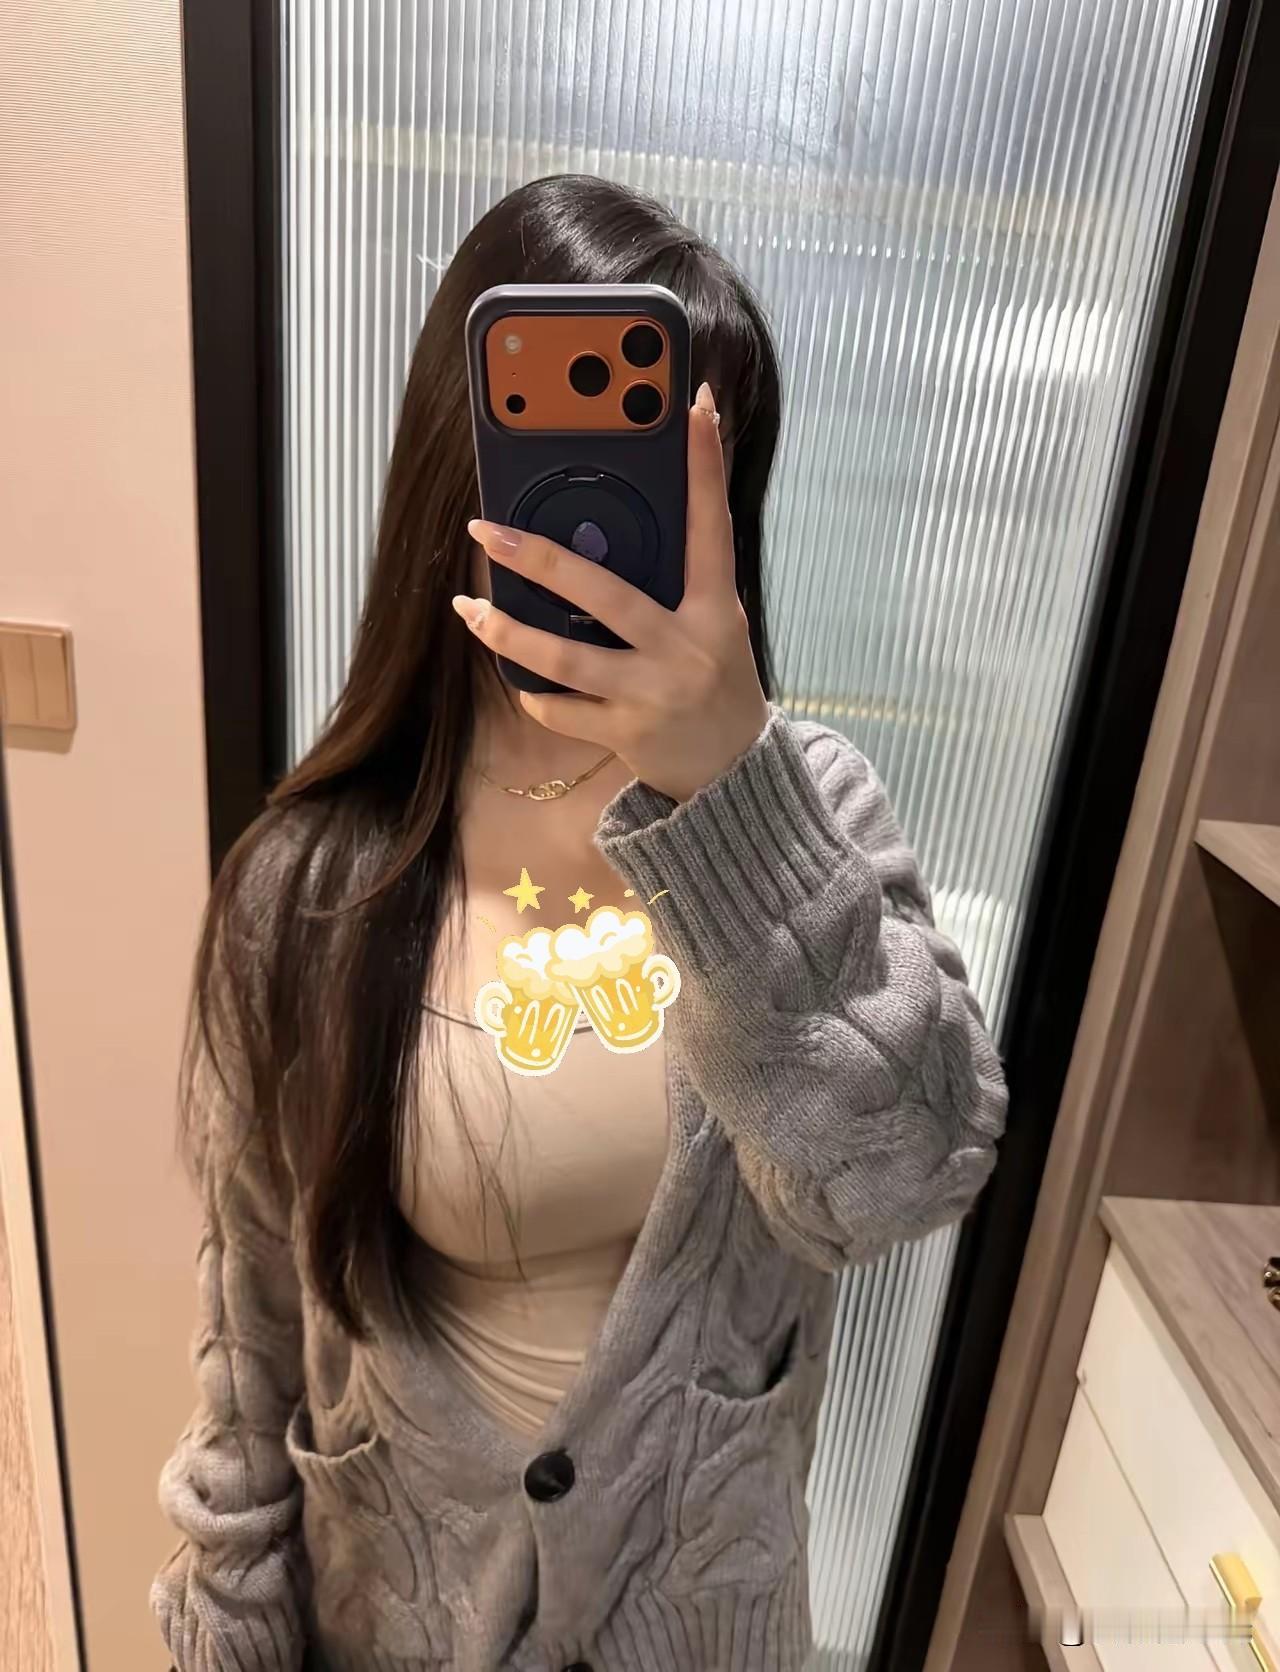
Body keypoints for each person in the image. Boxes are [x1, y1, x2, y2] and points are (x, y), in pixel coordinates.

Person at [152, 173, 1007, 1672]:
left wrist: (731, 799)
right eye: (574, 451)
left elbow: (906, 1177)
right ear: (467, 458)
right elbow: (253, 1326)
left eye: (681, 473)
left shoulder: (805, 811)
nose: (614, 523)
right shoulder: (309, 889)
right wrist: (228, 1626)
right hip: (400, 1625)